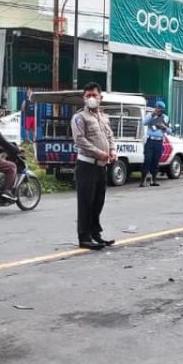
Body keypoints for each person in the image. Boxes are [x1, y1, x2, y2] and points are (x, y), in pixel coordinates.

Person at [71, 82, 116, 250]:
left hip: (101, 166)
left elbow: (110, 136)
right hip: (86, 165)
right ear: (83, 98)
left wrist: (112, 150)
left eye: (94, 95)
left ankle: (95, 234)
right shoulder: (79, 117)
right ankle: (84, 237)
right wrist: (99, 153)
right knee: (86, 203)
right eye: (88, 95)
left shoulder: (103, 117)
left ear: (100, 97)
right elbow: (80, 140)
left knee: (98, 202)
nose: (91, 98)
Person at [141, 100, 169, 187]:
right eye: (157, 108)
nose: (158, 110)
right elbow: (144, 123)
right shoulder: (150, 115)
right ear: (155, 108)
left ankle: (153, 180)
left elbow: (170, 130)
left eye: (160, 109)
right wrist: (152, 115)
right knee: (147, 160)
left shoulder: (165, 118)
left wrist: (164, 127)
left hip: (159, 142)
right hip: (150, 141)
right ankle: (143, 180)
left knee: (156, 161)